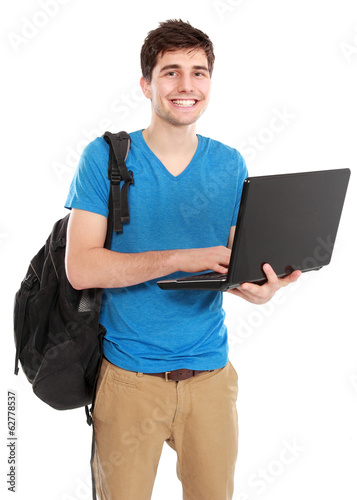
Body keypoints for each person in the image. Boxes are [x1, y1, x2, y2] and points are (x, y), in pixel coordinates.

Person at [64, 19, 301, 500]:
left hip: (211, 378)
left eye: (199, 72)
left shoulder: (229, 163)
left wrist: (259, 286)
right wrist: (178, 257)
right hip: (129, 380)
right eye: (171, 72)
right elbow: (81, 267)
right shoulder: (106, 158)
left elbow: (234, 264)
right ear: (146, 84)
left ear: (210, 83)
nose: (186, 85)